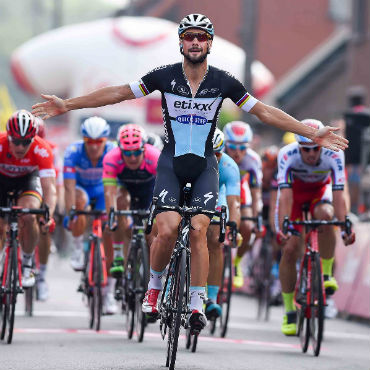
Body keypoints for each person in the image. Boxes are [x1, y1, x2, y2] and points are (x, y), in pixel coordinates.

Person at [31, 13, 348, 332]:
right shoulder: (164, 76)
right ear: (181, 42)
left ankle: (197, 302)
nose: (195, 42)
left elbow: (263, 111)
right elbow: (118, 93)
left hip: (205, 166)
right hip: (171, 163)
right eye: (189, 37)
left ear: (209, 43)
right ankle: (154, 287)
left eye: (201, 37)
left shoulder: (224, 82)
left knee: (201, 230)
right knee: (166, 229)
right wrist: (68, 105)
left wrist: (310, 134)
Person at [276, 119, 355, 336]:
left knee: (327, 216)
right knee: (290, 248)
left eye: (315, 149)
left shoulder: (334, 152)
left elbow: (338, 195)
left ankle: (327, 274)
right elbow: (284, 196)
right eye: (306, 149)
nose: (311, 155)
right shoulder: (286, 154)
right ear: (298, 146)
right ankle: (290, 311)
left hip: (319, 194)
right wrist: (284, 225)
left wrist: (345, 223)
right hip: (294, 196)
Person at [63, 116, 116, 314]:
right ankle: (77, 249)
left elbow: (116, 187)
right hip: (81, 190)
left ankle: (109, 292)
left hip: (103, 191)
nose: (94, 147)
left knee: (110, 234)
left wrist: (114, 215)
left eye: (98, 142)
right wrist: (70, 213)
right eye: (89, 142)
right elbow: (68, 187)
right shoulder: (73, 152)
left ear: (105, 140)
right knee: (78, 204)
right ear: (83, 140)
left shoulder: (112, 152)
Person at [0, 110, 56, 288]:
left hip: (27, 182)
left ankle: (27, 264)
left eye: (25, 142)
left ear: (33, 138)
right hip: (2, 182)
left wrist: (49, 215)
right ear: (9, 136)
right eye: (16, 141)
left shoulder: (42, 149)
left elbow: (49, 187)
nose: (20, 148)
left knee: (30, 215)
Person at [103, 123, 160, 277]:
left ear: (144, 148)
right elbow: (109, 193)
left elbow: (164, 190)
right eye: (127, 154)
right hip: (125, 190)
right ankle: (118, 256)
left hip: (149, 192)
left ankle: (150, 277)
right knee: (119, 204)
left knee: (151, 233)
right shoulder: (111, 158)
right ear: (120, 151)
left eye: (136, 152)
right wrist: (112, 217)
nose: (132, 157)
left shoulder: (155, 157)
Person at [205, 128, 241, 319]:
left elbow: (234, 201)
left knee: (215, 240)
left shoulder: (229, 166)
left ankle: (211, 298)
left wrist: (233, 225)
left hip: (216, 197)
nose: (213, 158)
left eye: (217, 154)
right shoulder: (191, 159)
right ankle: (171, 284)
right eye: (208, 154)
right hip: (192, 191)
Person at [223, 121, 263, 288]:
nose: (237, 153)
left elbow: (255, 192)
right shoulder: (217, 154)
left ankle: (237, 263)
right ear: (225, 144)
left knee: (247, 226)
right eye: (232, 147)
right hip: (219, 189)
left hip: (240, 193)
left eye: (242, 148)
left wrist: (256, 217)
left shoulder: (253, 160)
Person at [34, 117, 63, 300]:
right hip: (21, 185)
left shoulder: (51, 150)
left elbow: (56, 183)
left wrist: (54, 209)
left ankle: (42, 275)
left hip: (44, 187)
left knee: (44, 228)